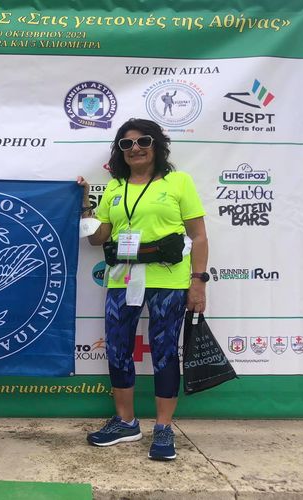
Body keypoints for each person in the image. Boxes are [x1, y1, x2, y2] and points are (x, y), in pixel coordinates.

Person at [77, 118, 208, 461]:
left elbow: (198, 236)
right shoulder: (115, 187)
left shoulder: (178, 182)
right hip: (122, 278)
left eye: (143, 141)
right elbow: (98, 238)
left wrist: (198, 281)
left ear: (157, 145)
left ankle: (163, 427)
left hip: (168, 280)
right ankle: (126, 422)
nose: (135, 148)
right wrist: (85, 204)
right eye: (126, 143)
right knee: (118, 348)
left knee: (164, 351)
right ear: (119, 151)